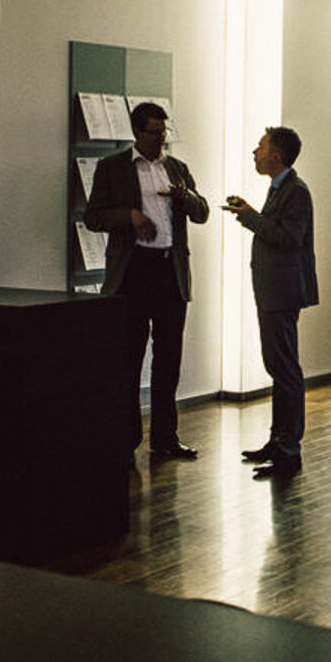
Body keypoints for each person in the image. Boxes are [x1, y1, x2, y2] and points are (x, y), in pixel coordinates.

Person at [83, 101, 210, 459]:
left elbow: (202, 212)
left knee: (169, 359)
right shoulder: (112, 168)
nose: (161, 138)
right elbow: (93, 217)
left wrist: (186, 196)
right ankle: (125, 439)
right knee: (129, 358)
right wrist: (130, 216)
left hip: (171, 270)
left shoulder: (177, 168)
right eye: (154, 132)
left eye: (164, 131)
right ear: (137, 132)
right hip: (134, 271)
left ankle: (165, 438)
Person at [225, 126, 317, 480]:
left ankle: (289, 449)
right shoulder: (282, 188)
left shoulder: (296, 191)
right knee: (278, 366)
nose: (255, 152)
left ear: (275, 156)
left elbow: (289, 238)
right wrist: (252, 215)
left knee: (285, 369)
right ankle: (278, 442)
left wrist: (250, 217)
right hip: (274, 290)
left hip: (282, 291)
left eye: (260, 147)